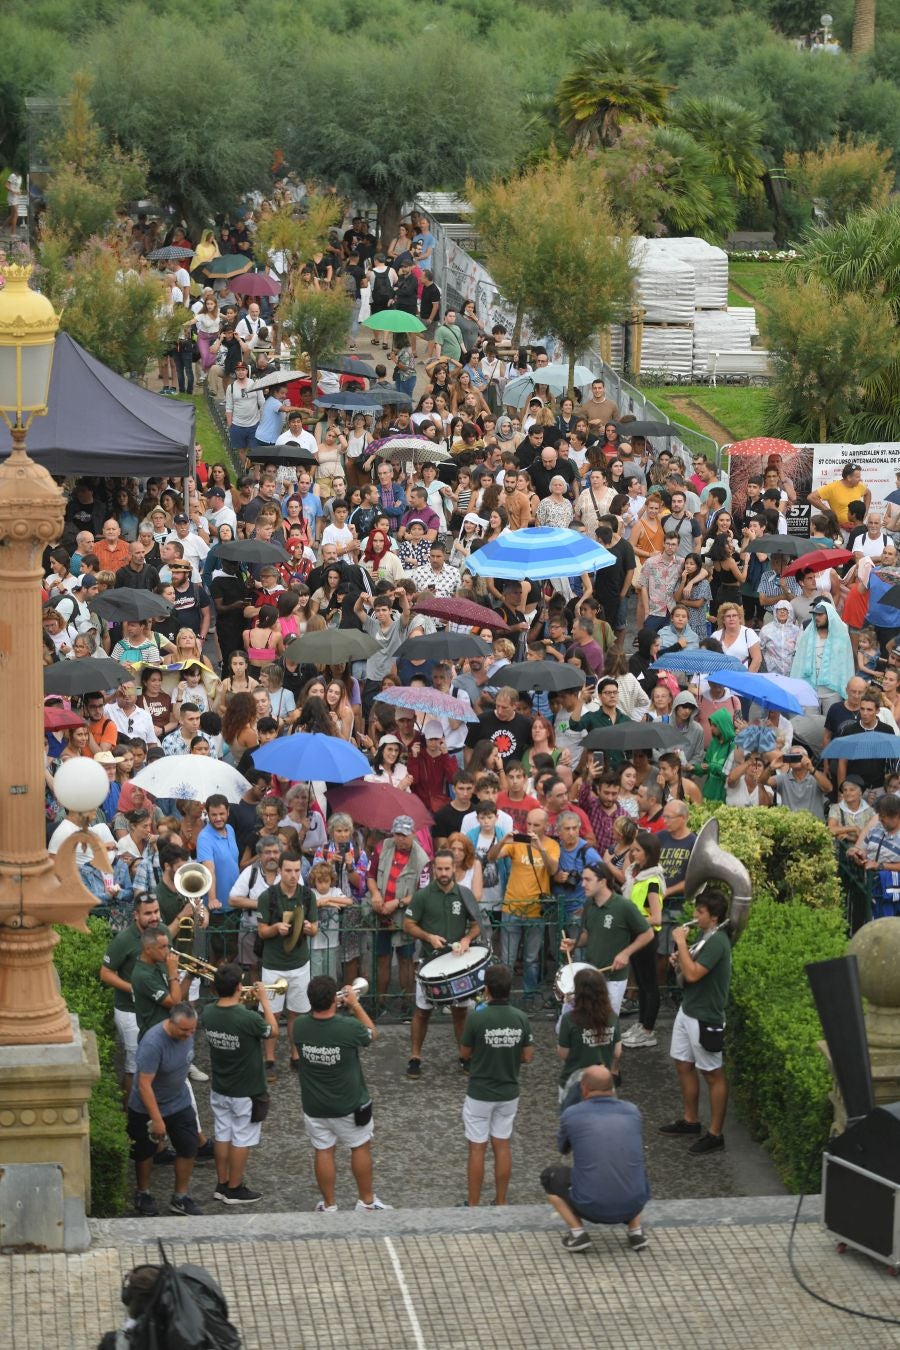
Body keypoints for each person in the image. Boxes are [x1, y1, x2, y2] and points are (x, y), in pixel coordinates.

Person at [293, 974, 392, 1212]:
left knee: (323, 1150)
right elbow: (372, 1033)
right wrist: (355, 1004)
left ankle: (329, 1205)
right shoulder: (347, 1027)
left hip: (315, 1105)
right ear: (332, 1000)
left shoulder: (299, 1026)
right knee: (360, 1147)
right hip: (348, 1104)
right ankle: (367, 1202)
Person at [541, 1064, 650, 1254]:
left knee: (549, 1176)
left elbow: (563, 1149)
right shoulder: (633, 1111)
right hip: (635, 1203)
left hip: (590, 1205)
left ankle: (577, 1234)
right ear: (612, 1087)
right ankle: (635, 1232)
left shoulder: (572, 1114)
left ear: (583, 1088)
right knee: (631, 1166)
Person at [660, 890, 732, 1155]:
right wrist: (679, 959)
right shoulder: (706, 936)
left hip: (705, 1016)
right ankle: (691, 1121)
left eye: (700, 912)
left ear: (714, 917)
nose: (695, 916)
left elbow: (692, 974)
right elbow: (689, 967)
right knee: (683, 1064)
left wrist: (679, 944)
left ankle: (715, 1134)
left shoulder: (717, 942)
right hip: (688, 1010)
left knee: (713, 1074)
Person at [200, 962, 277, 1206]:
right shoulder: (248, 1017)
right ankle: (234, 1188)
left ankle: (221, 1183)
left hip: (220, 1086)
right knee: (242, 1138)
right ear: (237, 987)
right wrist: (265, 1000)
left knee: (223, 1134)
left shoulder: (208, 1013)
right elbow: (273, 1031)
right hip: (246, 1090)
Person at [402, 847, 482, 1081]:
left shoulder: (465, 894)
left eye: (448, 868)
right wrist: (428, 937)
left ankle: (464, 1056)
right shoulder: (423, 895)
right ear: (434, 869)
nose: (444, 872)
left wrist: (467, 938)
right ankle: (415, 1057)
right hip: (429, 963)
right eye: (440, 868)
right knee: (422, 1012)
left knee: (460, 1012)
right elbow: (408, 924)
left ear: (455, 869)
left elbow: (478, 924)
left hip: (458, 964)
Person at [458, 964, 534, 1208]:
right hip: (509, 1092)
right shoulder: (521, 1018)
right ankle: (501, 1201)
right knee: (502, 1145)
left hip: (480, 1092)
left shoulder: (477, 1017)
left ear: (486, 989)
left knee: (477, 1149)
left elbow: (464, 1052)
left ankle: (473, 1204)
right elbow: (527, 1056)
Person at [127, 1002, 203, 1218]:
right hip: (147, 1106)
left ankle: (180, 1197)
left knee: (189, 1147)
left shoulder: (187, 1034)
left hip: (178, 1101)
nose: (189, 1035)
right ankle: (143, 1193)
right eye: (184, 1030)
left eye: (192, 1030)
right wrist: (157, 1119)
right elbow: (143, 1084)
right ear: (171, 1023)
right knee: (144, 1152)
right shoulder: (153, 1043)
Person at [561, 861, 653, 1016]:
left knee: (606, 1026)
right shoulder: (589, 904)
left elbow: (648, 933)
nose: (582, 884)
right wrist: (574, 944)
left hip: (613, 980)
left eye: (588, 880)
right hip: (591, 976)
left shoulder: (624, 906)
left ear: (602, 881)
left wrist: (626, 953)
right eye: (583, 879)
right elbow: (589, 934)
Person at [256, 852, 318, 1080]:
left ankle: (295, 1056)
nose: (293, 875)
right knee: (271, 1014)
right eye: (289, 870)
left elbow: (316, 929)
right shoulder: (267, 896)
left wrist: (311, 928)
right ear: (280, 870)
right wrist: (275, 929)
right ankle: (269, 1060)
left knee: (298, 1014)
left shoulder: (308, 896)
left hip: (300, 964)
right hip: (274, 965)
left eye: (296, 870)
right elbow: (261, 932)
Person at [493, 809, 560, 1007]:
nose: (530, 828)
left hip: (536, 911)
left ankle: (530, 996)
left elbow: (553, 870)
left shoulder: (552, 845)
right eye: (528, 824)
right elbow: (491, 857)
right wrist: (503, 841)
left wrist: (541, 849)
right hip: (511, 908)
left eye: (536, 825)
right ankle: (502, 998)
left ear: (546, 826)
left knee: (532, 959)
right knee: (507, 959)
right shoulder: (517, 843)